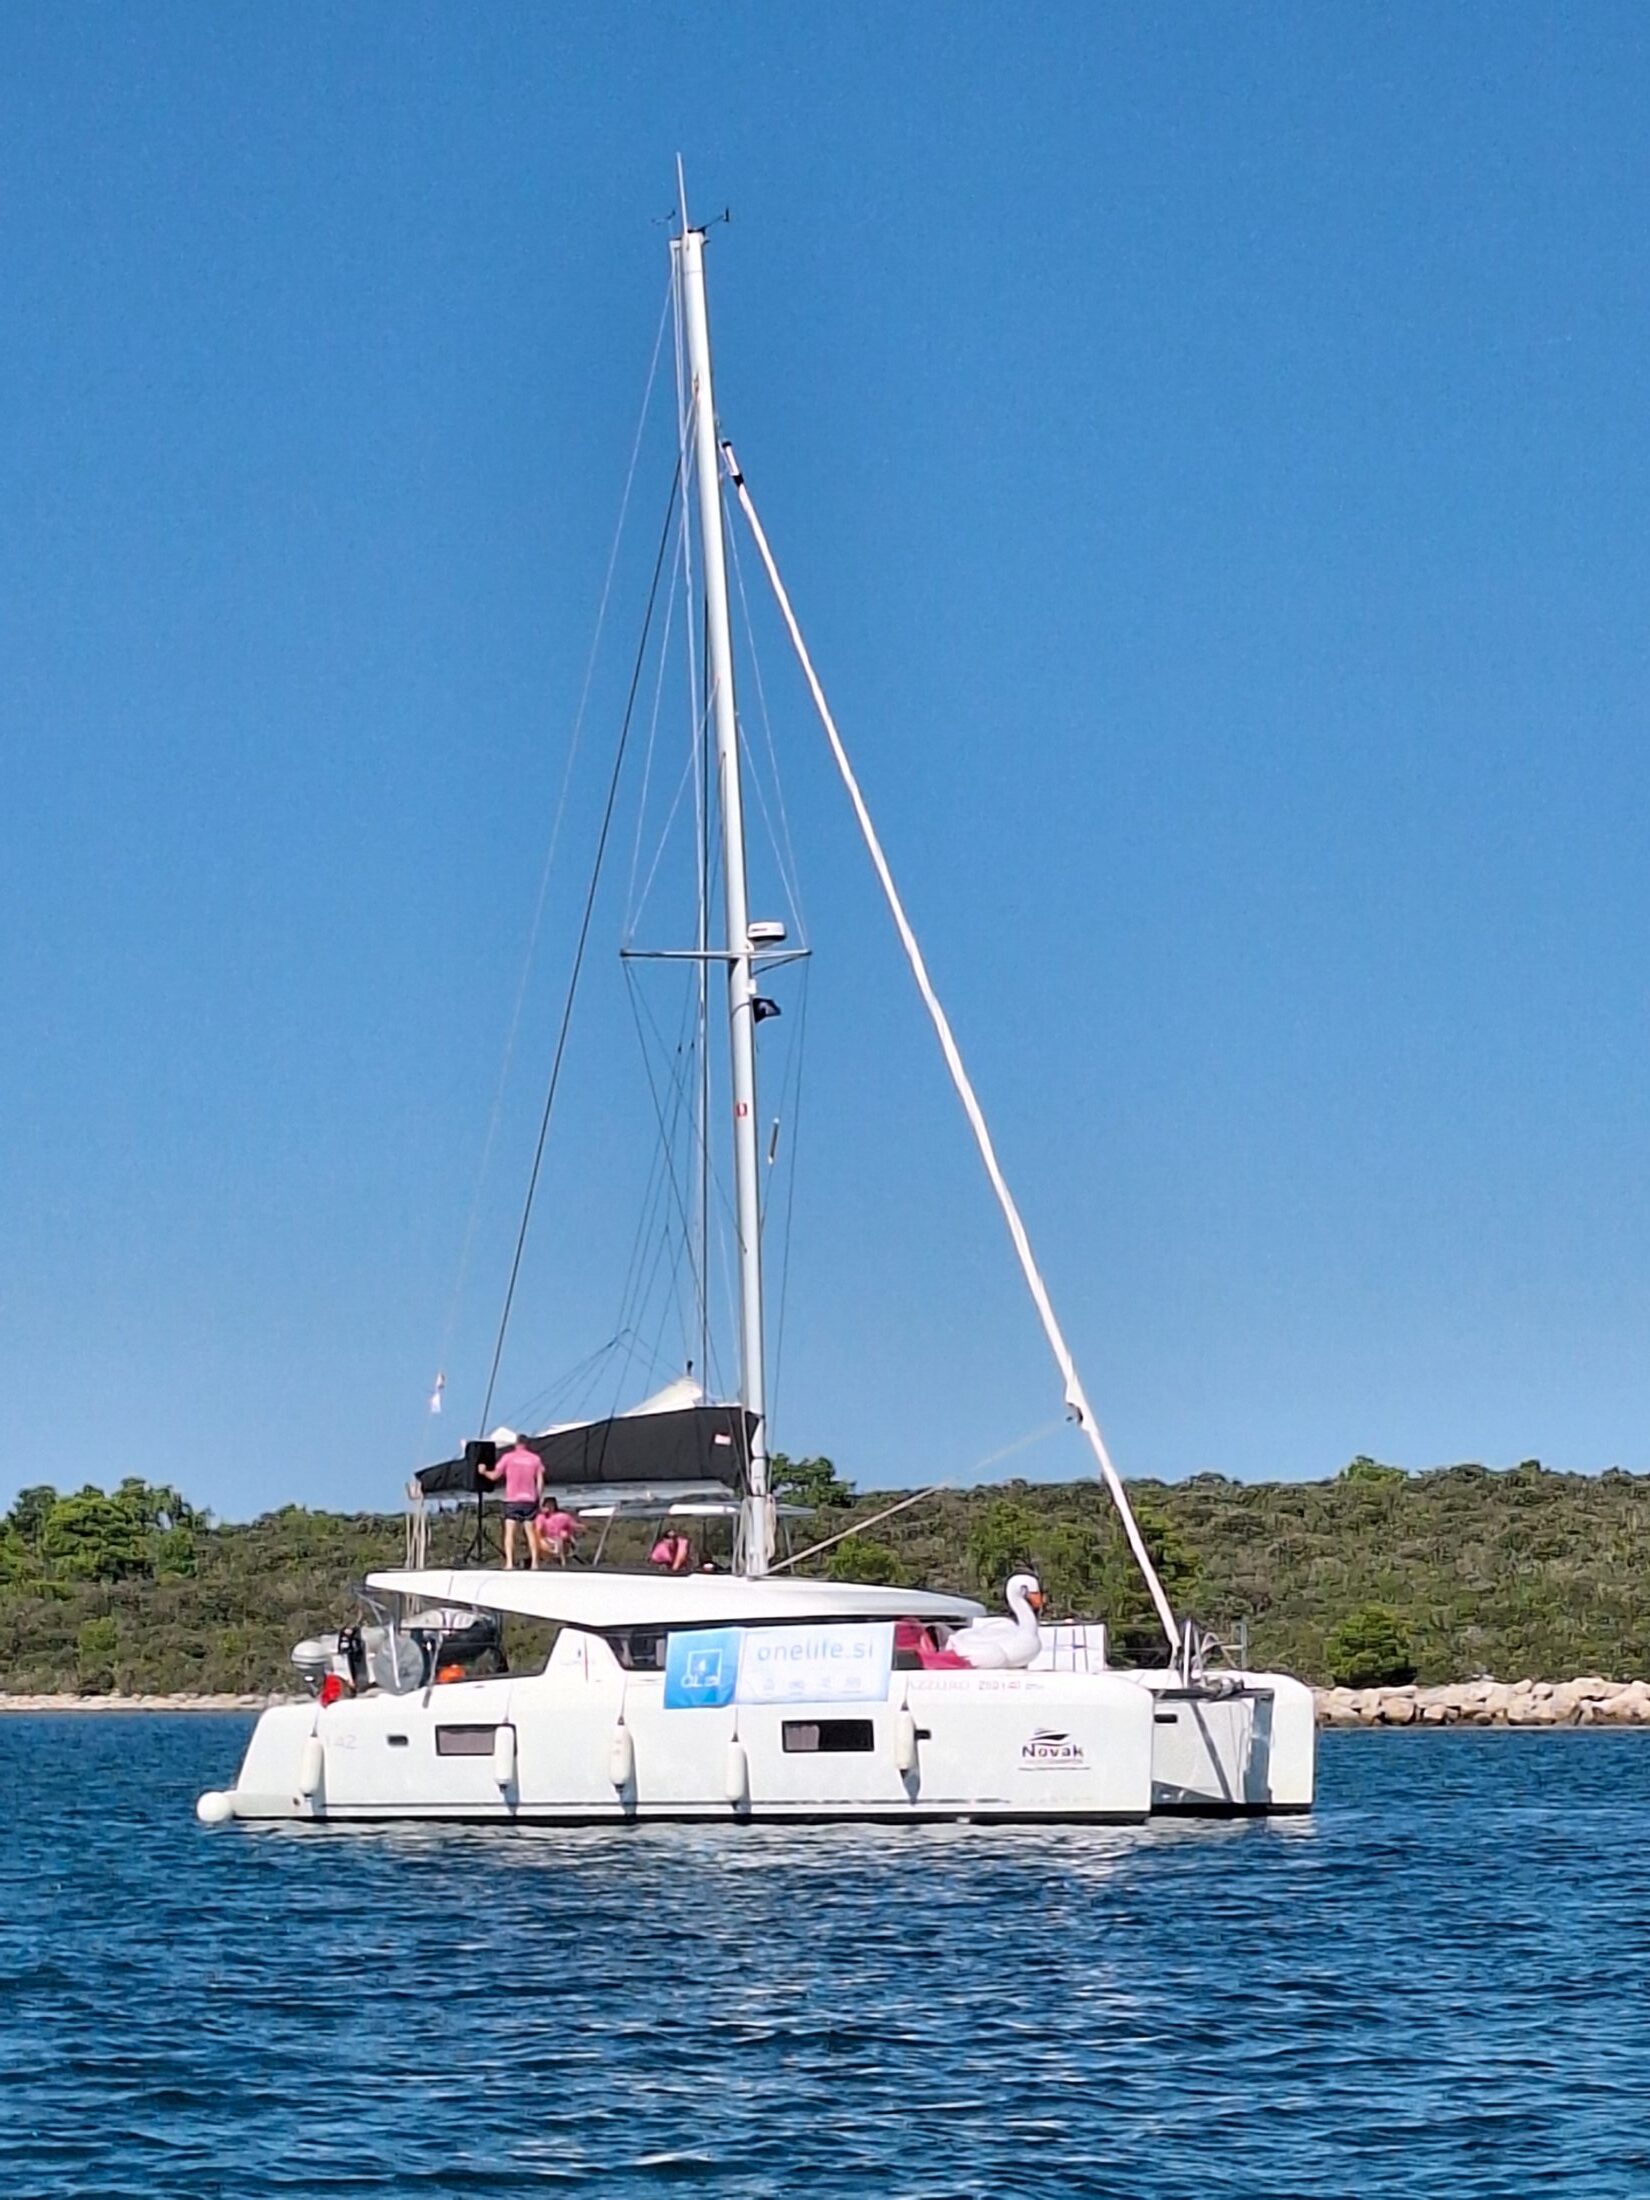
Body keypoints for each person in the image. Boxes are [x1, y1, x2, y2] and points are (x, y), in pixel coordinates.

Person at [479, 1427, 543, 1569]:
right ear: (527, 1444)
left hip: (513, 1499)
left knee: (510, 1532)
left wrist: (483, 1472)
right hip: (529, 1499)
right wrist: (538, 1497)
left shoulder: (508, 1458)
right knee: (530, 1532)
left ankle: (509, 1563)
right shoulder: (535, 1459)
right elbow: (540, 1481)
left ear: (516, 1444)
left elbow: (494, 1476)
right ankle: (535, 1563)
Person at [534, 1498, 584, 1565]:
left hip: (560, 1540)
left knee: (562, 1535)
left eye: (551, 1505)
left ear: (554, 1506)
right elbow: (538, 1531)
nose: (549, 1507)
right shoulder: (541, 1517)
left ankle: (562, 1560)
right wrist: (544, 1540)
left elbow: (573, 1525)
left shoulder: (562, 1516)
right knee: (542, 1541)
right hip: (546, 1539)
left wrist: (582, 1528)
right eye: (547, 1505)